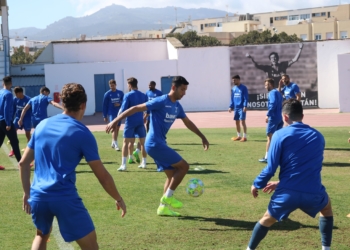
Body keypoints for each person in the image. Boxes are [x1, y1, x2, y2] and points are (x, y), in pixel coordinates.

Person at [19, 83, 126, 250]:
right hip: (64, 197)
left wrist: (27, 193)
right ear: (83, 105)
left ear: (62, 102)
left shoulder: (41, 126)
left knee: (41, 235)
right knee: (91, 245)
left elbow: (23, 163)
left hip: (39, 196)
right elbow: (102, 175)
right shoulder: (82, 132)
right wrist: (118, 198)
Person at [106, 76, 209, 217]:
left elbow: (188, 122)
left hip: (159, 143)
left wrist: (202, 136)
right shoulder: (161, 101)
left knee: (172, 175)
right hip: (154, 143)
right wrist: (115, 121)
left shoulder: (177, 106)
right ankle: (168, 197)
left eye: (185, 89)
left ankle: (163, 208)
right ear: (174, 88)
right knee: (184, 167)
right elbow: (136, 108)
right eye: (182, 89)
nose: (184, 93)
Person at [247, 99, 333, 250]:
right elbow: (309, 169)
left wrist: (257, 183)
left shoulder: (279, 135)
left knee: (266, 219)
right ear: (302, 115)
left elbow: (270, 168)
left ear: (285, 117)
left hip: (288, 194)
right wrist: (281, 183)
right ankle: (326, 248)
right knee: (326, 209)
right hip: (313, 192)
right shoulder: (318, 136)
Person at [117, 77, 148, 171]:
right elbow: (147, 108)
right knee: (143, 143)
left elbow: (123, 109)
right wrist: (145, 116)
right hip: (140, 121)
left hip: (130, 121)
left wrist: (117, 118)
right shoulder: (143, 95)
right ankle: (144, 163)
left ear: (130, 85)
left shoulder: (128, 95)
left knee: (125, 143)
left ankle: (123, 165)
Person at [133, 81, 163, 162]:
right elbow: (145, 104)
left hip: (156, 117)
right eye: (148, 85)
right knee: (148, 134)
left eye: (151, 85)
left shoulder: (159, 93)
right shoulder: (147, 93)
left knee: (149, 134)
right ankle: (141, 150)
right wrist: (145, 115)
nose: (149, 86)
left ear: (154, 85)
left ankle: (138, 150)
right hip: (149, 117)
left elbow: (162, 104)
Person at [258, 78, 283, 163]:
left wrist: (268, 114)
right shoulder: (278, 93)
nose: (265, 87)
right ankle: (279, 156)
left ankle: (267, 157)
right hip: (279, 117)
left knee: (269, 137)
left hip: (273, 118)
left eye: (266, 85)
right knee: (277, 138)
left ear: (271, 85)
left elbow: (272, 104)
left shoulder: (272, 93)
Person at [0, 76, 21, 170]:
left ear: (2, 83)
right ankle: (21, 163)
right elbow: (6, 109)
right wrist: (8, 123)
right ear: (11, 84)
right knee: (14, 142)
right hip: (5, 120)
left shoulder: (0, 92)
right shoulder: (8, 94)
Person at [8, 86, 32, 157]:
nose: (15, 95)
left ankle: (29, 149)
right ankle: (13, 150)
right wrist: (11, 119)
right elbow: (14, 110)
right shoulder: (15, 99)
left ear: (20, 93)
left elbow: (32, 110)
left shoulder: (28, 99)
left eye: (16, 94)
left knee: (28, 135)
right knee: (13, 133)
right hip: (18, 118)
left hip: (27, 118)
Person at [102, 79, 124, 151]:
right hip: (111, 113)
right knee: (114, 127)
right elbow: (104, 105)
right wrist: (104, 116)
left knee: (117, 127)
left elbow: (124, 102)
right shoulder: (107, 94)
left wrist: (119, 104)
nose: (112, 87)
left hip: (119, 113)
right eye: (110, 86)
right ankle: (116, 144)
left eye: (113, 86)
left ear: (115, 85)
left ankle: (113, 142)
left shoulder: (120, 93)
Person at [228, 75, 249, 142]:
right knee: (237, 122)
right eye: (233, 80)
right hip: (236, 108)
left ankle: (244, 137)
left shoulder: (243, 88)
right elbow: (232, 98)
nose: (233, 81)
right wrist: (231, 106)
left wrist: (245, 106)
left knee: (242, 122)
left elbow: (246, 98)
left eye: (235, 80)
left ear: (238, 80)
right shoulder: (234, 88)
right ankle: (239, 136)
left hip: (242, 107)